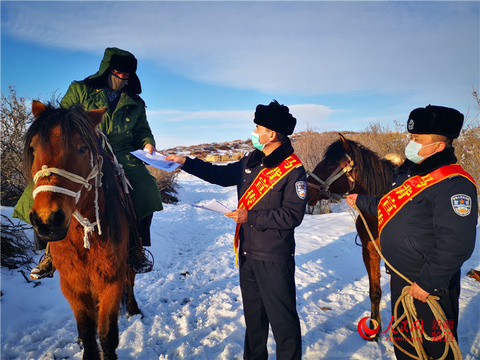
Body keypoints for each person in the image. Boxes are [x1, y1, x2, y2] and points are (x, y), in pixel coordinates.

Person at [166, 100, 307, 360]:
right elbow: (219, 175)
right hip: (248, 254)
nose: (254, 133)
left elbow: (292, 215)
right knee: (254, 321)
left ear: (272, 134)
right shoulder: (250, 160)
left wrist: (249, 215)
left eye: (258, 128)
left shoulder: (293, 170)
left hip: (275, 257)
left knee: (283, 322)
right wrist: (185, 162)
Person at [13, 47, 163, 277]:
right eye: (118, 73)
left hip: (121, 153)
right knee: (41, 187)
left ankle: (136, 248)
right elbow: (59, 119)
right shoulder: (81, 90)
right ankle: (48, 253)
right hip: (82, 149)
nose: (122, 78)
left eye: (127, 75)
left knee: (147, 187)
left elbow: (143, 130)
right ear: (106, 70)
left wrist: (147, 143)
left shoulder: (136, 103)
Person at [346, 105, 477, 359]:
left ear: (439, 146)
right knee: (406, 347)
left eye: (417, 139)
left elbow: (456, 246)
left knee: (434, 349)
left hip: (429, 288)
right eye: (411, 138)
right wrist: (360, 200)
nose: (411, 144)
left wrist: (426, 283)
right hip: (401, 281)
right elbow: (387, 205)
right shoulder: (408, 174)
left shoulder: (454, 185)